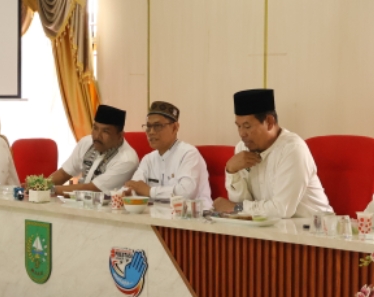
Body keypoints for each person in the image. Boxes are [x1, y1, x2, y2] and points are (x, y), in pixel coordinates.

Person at [215, 88, 333, 219]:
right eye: (238, 126)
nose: (242, 133)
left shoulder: (292, 149)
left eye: (247, 126)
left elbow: (281, 210)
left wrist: (235, 208)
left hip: (316, 227)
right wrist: (232, 171)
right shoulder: (242, 148)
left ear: (269, 122)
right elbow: (243, 204)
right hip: (272, 228)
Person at [125, 100, 212, 205]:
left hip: (192, 213)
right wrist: (128, 192)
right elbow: (136, 185)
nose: (151, 132)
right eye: (148, 126)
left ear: (175, 128)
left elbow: (186, 193)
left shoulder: (189, 154)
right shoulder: (148, 159)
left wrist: (150, 191)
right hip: (156, 213)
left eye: (157, 126)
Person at [51, 105, 139, 194]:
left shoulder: (127, 160)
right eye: (95, 128)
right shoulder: (86, 142)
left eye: (105, 131)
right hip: (78, 200)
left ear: (120, 136)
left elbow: (91, 189)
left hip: (104, 202)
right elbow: (63, 173)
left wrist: (52, 190)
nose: (97, 136)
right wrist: (43, 185)